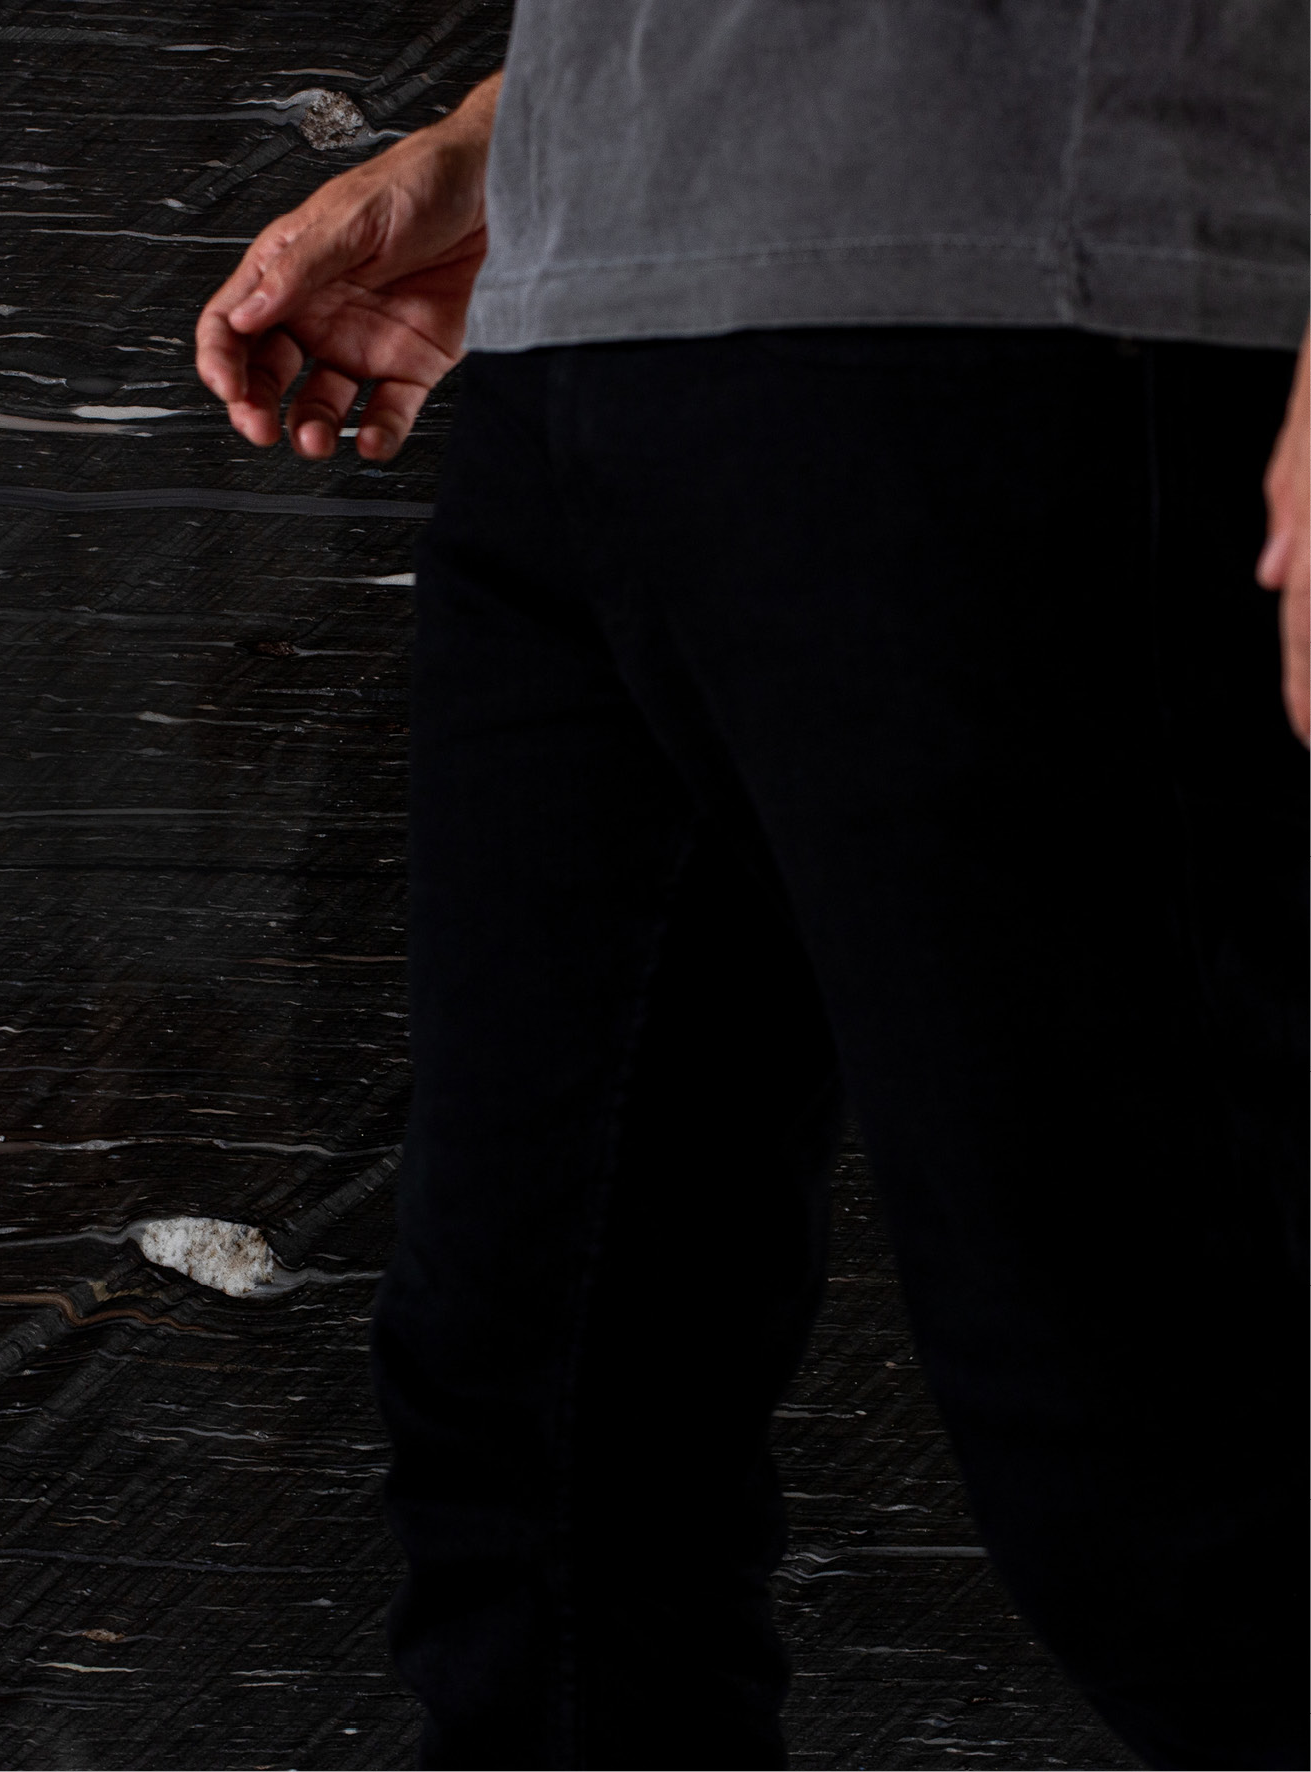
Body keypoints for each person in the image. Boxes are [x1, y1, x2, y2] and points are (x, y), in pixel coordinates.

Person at [196, 7, 1309, 1767]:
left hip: (1036, 321)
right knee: (538, 1426)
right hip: (582, 344)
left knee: (1160, 1440)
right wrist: (517, 132)